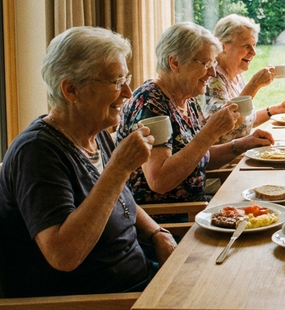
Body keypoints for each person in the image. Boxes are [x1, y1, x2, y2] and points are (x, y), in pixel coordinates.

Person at [0, 27, 176, 310]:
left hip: (135, 287)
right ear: (71, 90)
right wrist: (118, 169)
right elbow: (63, 255)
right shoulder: (37, 152)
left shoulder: (94, 133)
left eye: (126, 80)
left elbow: (121, 201)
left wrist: (157, 233)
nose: (127, 93)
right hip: (90, 308)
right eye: (116, 82)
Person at [117, 22, 273, 205]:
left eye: (213, 63)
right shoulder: (150, 103)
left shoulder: (186, 98)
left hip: (196, 206)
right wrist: (210, 133)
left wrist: (244, 144)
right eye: (206, 64)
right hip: (171, 216)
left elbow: (198, 156)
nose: (212, 72)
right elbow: (159, 180)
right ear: (175, 63)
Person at [203, 14, 285, 142]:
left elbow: (243, 123)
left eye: (254, 45)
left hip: (242, 149)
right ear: (223, 46)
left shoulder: (236, 75)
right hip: (227, 154)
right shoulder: (212, 78)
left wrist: (273, 110)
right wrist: (254, 85)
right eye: (247, 46)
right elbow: (225, 130)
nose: (254, 52)